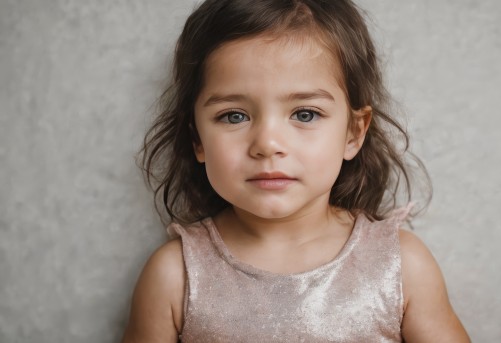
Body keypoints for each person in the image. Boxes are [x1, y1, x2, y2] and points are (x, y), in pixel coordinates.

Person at [122, 0, 470, 341]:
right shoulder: (173, 275)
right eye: (234, 116)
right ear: (197, 139)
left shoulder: (402, 265)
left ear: (354, 132)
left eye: (305, 114)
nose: (268, 144)